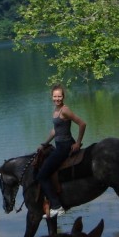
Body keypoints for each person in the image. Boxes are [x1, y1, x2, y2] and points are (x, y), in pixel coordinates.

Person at [36, 84, 86, 218]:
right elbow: (55, 130)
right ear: (51, 97)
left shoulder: (65, 110)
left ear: (63, 97)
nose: (57, 99)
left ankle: (57, 206)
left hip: (64, 147)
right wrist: (45, 144)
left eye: (59, 96)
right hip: (58, 145)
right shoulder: (56, 110)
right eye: (55, 96)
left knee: (41, 176)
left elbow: (82, 124)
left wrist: (78, 142)